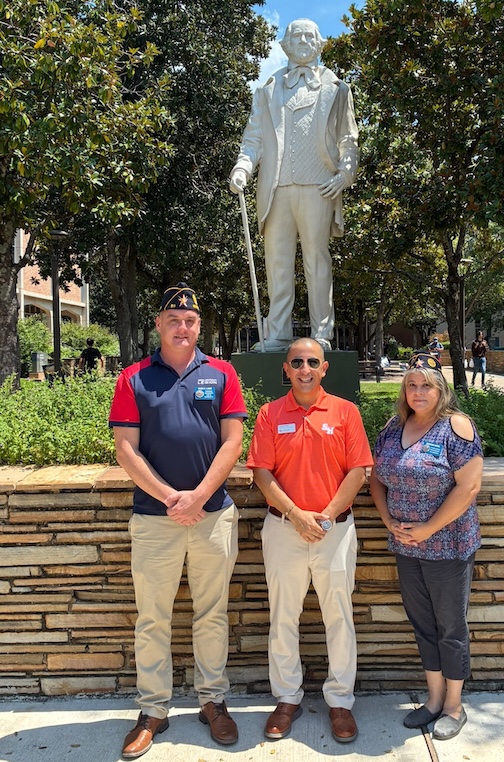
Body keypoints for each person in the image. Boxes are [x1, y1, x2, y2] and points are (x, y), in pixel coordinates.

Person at [109, 283, 248, 759]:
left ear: (198, 326)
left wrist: (200, 496)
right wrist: (173, 498)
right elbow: (125, 448)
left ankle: (213, 701)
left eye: (189, 320)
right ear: (159, 325)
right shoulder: (133, 378)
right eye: (173, 320)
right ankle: (153, 710)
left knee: (212, 614)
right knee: (153, 618)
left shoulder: (223, 373)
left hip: (213, 516)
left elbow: (232, 442)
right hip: (154, 516)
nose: (182, 327)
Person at [246, 338, 373, 743]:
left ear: (324, 368)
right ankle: (286, 699)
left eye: (312, 362)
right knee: (283, 617)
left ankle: (340, 702)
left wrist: (327, 514)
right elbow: (262, 474)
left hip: (334, 531)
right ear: (286, 369)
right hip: (284, 530)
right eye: (297, 362)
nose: (304, 368)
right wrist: (297, 515)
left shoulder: (345, 412)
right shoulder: (269, 414)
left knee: (339, 618)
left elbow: (358, 471)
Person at [369, 352, 483, 742]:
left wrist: (429, 528)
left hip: (447, 547)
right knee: (423, 626)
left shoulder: (456, 427)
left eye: (427, 385)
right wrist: (388, 521)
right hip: (406, 547)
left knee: (450, 627)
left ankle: (454, 706)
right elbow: (376, 478)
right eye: (412, 385)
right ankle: (433, 701)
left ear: (441, 390)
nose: (418, 392)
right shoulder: (392, 427)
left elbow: (468, 487)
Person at [229, 19, 359, 352]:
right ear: (285, 45)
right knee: (278, 262)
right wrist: (243, 167)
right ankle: (277, 334)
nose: (302, 41)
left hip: (319, 187)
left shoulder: (338, 89)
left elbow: (348, 139)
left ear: (319, 44)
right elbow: (253, 138)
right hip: (276, 188)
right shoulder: (268, 89)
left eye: (309, 36)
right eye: (296, 36)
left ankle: (321, 334)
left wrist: (345, 174)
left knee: (317, 259)